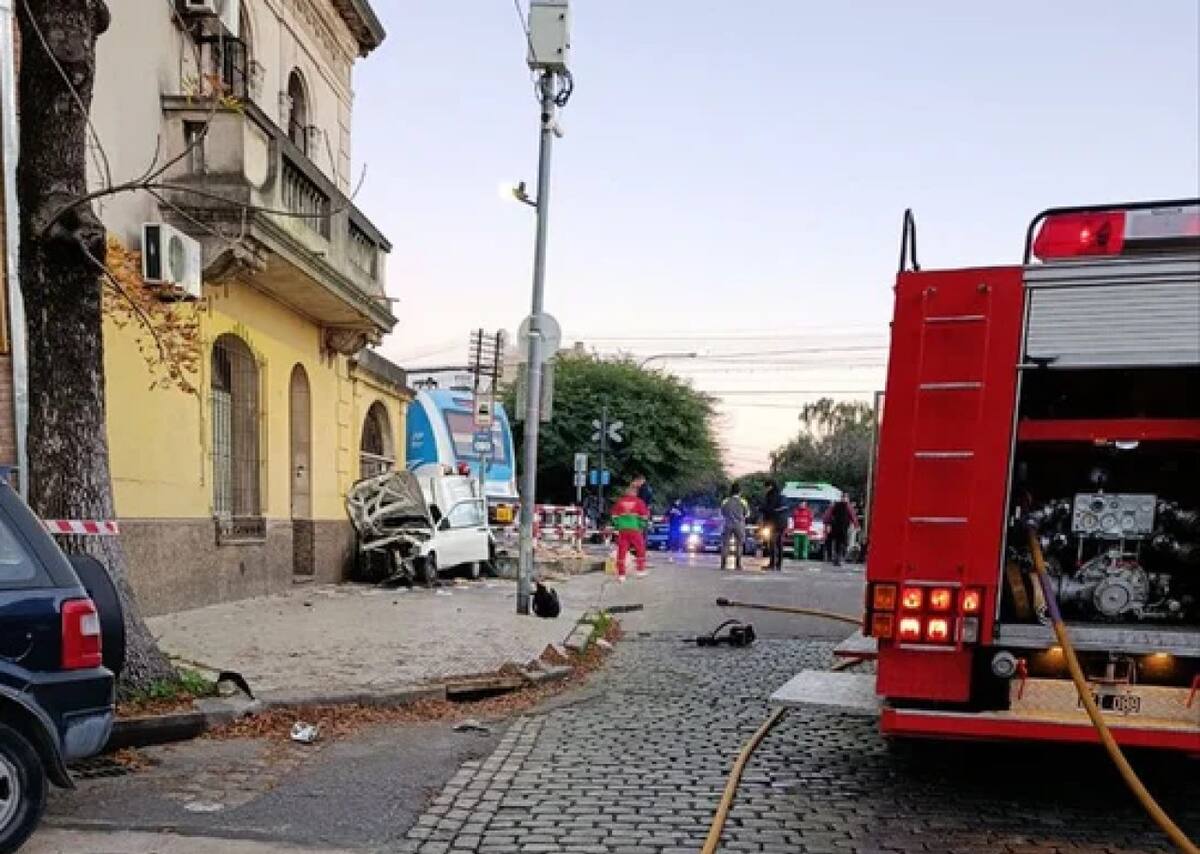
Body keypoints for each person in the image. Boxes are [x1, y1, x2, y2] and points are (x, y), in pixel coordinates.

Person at [610, 483, 650, 582]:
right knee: (640, 549)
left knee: (622, 551)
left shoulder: (619, 502)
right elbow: (644, 517)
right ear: (635, 493)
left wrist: (618, 526)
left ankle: (621, 575)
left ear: (626, 493)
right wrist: (641, 526)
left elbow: (614, 516)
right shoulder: (639, 502)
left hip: (623, 530)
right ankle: (640, 570)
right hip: (635, 530)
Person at [719, 483, 750, 570]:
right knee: (739, 544)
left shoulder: (725, 501)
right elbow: (747, 514)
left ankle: (723, 564)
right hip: (739, 525)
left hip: (727, 524)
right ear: (740, 491)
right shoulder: (743, 501)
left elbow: (722, 513)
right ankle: (738, 564)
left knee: (725, 544)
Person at [824, 495, 860, 566]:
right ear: (841, 498)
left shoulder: (848, 507)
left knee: (841, 543)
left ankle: (838, 558)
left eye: (846, 498)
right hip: (834, 527)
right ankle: (832, 557)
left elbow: (853, 516)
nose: (844, 499)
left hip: (843, 528)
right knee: (832, 542)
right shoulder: (835, 505)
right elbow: (828, 514)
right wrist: (827, 524)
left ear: (847, 499)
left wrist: (856, 525)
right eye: (843, 498)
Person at [762, 480, 787, 570]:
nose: (765, 489)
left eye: (766, 487)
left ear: (770, 486)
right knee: (780, 543)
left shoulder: (771, 496)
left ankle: (772, 564)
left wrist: (761, 508)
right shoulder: (782, 496)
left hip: (774, 523)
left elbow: (769, 509)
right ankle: (779, 564)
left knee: (772, 543)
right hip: (783, 523)